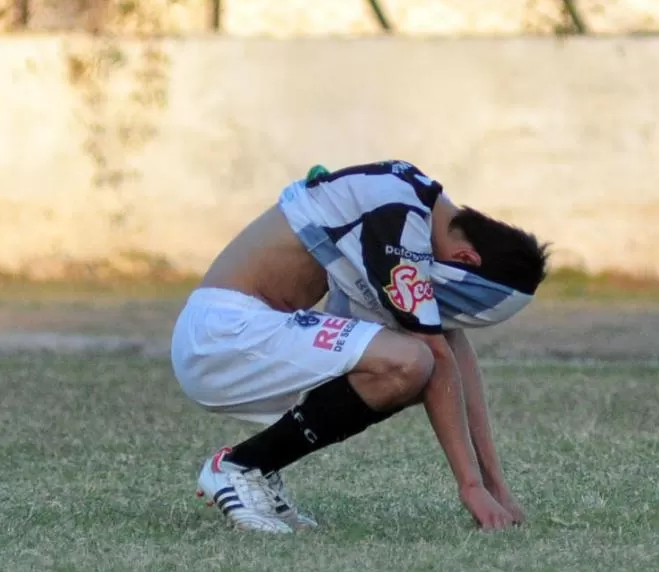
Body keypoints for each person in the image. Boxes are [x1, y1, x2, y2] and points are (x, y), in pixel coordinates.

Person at [171, 160, 549, 534]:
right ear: (466, 258)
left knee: (420, 353)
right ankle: (241, 467)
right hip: (221, 335)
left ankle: (253, 467)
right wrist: (471, 487)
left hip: (240, 332)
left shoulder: (417, 202)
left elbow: (451, 347)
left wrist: (494, 485)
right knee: (409, 362)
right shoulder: (399, 217)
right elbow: (434, 355)